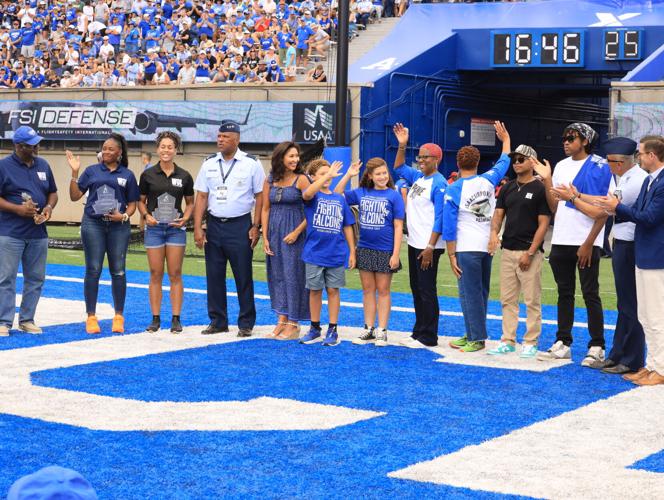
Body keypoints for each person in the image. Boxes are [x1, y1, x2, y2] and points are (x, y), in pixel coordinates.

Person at [556, 137, 646, 374]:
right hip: (622, 243)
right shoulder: (624, 177)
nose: (607, 166)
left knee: (631, 305)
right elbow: (604, 201)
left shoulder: (636, 180)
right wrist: (578, 195)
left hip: (631, 245)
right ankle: (618, 354)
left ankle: (632, 359)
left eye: (610, 162)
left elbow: (605, 208)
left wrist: (574, 198)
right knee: (624, 304)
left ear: (619, 162)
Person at [535, 123, 612, 366]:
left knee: (591, 294)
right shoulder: (560, 166)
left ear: (585, 141)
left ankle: (597, 345)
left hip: (585, 240)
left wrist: (589, 243)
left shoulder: (601, 166)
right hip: (561, 239)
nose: (565, 141)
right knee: (564, 293)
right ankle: (563, 342)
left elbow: (603, 210)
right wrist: (548, 181)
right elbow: (555, 206)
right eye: (564, 137)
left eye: (571, 137)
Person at [598, 136, 664, 385]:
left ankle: (660, 369)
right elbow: (639, 212)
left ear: (652, 156)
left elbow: (648, 217)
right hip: (646, 253)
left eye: (641, 153)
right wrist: (618, 209)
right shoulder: (651, 179)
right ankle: (652, 365)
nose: (639, 157)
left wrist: (618, 208)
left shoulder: (661, 182)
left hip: (656, 255)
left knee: (656, 315)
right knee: (646, 314)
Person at [443, 122, 511, 353]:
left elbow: (449, 225)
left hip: (466, 247)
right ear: (478, 162)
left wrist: (451, 254)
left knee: (468, 292)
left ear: (458, 164)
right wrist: (505, 139)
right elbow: (504, 160)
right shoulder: (489, 179)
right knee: (480, 291)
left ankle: (477, 337)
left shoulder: (454, 188)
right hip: (486, 245)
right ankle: (472, 332)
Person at [193, 120, 265, 337]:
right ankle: (218, 320)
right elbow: (202, 197)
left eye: (225, 137)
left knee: (243, 275)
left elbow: (260, 196)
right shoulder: (208, 163)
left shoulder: (251, 163)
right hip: (214, 225)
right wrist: (197, 227)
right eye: (219, 137)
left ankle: (245, 323)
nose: (220, 140)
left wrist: (256, 226)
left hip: (240, 225)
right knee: (214, 275)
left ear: (237, 139)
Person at [67, 133, 139, 334]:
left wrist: (123, 216)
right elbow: (74, 196)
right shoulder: (91, 171)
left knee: (118, 271)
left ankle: (118, 316)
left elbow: (132, 204)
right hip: (93, 225)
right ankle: (91, 316)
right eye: (104, 148)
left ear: (119, 153)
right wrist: (75, 173)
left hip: (118, 227)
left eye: (110, 149)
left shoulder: (128, 175)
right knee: (93, 270)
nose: (106, 151)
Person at [487, 144, 551, 358]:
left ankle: (531, 341)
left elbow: (544, 224)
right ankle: (508, 339)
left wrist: (531, 252)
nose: (516, 163)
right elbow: (498, 214)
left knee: (532, 300)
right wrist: (494, 234)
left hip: (529, 251)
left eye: (521, 159)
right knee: (507, 299)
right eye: (514, 159)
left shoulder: (540, 188)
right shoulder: (507, 187)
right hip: (508, 250)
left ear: (532, 162)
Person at [335, 158, 404, 346]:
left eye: (384, 173)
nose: (382, 177)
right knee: (367, 290)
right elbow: (337, 193)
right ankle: (368, 328)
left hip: (385, 250)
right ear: (371, 176)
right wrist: (349, 174)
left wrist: (395, 253)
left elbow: (398, 227)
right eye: (378, 174)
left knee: (383, 290)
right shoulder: (362, 192)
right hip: (364, 248)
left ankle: (382, 330)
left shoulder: (394, 195)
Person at [391, 123, 447, 348]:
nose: (421, 160)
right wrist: (402, 145)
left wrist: (431, 247)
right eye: (420, 156)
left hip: (428, 245)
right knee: (417, 288)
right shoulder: (418, 178)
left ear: (436, 159)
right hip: (415, 243)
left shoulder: (439, 183)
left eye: (426, 157)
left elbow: (441, 218)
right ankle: (418, 331)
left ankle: (429, 336)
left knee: (426, 289)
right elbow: (398, 166)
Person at [0, 126, 57, 337]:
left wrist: (49, 208)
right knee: (6, 278)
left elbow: (53, 193)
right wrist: (18, 209)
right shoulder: (3, 166)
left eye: (37, 143)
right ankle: (4, 321)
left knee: (35, 278)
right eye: (32, 145)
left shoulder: (43, 164)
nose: (36, 147)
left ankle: (27, 319)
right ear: (18, 146)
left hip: (38, 233)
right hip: (10, 232)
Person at [138, 131, 194, 334]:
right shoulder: (148, 175)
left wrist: (186, 219)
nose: (166, 150)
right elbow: (140, 201)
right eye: (163, 146)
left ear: (176, 150)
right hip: (154, 229)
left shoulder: (184, 176)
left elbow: (190, 203)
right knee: (155, 273)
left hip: (174, 230)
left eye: (170, 147)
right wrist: (146, 216)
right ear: (157, 149)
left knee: (175, 273)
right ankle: (155, 319)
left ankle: (176, 319)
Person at [298, 159, 356, 346]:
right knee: (315, 291)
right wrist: (328, 175)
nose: (327, 177)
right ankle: (315, 327)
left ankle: (333, 329)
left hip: (335, 254)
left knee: (333, 290)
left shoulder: (339, 198)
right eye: (322, 174)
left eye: (329, 173)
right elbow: (307, 193)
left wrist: (352, 251)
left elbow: (347, 226)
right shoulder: (312, 197)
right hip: (314, 253)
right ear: (312, 177)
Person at [261, 141, 311, 340]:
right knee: (278, 276)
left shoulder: (302, 179)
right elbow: (265, 208)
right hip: (274, 233)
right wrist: (265, 237)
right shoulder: (270, 179)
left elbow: (312, 211)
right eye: (291, 156)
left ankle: (294, 322)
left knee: (294, 276)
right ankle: (281, 319)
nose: (295, 160)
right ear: (280, 157)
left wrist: (297, 232)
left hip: (295, 235)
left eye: (296, 156)